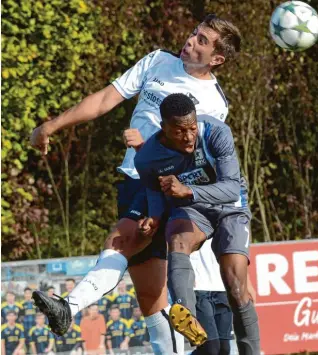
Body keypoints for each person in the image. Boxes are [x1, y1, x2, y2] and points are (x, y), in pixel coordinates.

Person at [31, 14, 241, 355]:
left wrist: (167, 203)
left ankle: (68, 307)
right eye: (194, 33)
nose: (191, 41)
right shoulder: (157, 61)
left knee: (120, 239)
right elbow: (104, 100)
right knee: (150, 296)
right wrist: (51, 126)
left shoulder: (214, 103)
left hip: (160, 185)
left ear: (217, 58)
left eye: (202, 40)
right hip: (131, 180)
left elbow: (196, 158)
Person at [134, 93, 260, 353]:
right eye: (179, 131)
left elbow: (231, 189)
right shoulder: (147, 158)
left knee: (236, 288)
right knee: (177, 239)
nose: (189, 137)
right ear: (164, 128)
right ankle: (187, 316)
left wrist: (188, 190)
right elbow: (154, 191)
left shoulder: (215, 132)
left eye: (191, 128)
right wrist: (155, 216)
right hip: (192, 209)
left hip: (229, 208)